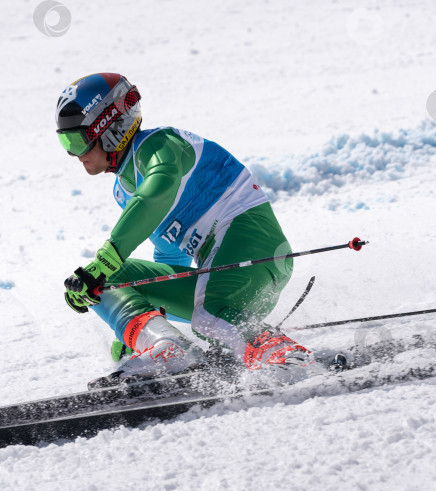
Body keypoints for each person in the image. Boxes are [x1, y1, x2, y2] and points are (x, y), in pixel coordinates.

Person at [56, 73, 314, 388]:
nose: (75, 154)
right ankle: (168, 348)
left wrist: (106, 258)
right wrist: (140, 324)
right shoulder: (122, 190)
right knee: (105, 283)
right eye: (65, 142)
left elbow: (155, 196)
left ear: (110, 129)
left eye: (77, 140)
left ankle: (281, 351)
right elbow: (169, 254)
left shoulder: (161, 145)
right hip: (222, 273)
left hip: (254, 247)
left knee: (207, 314)